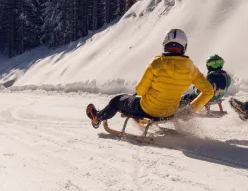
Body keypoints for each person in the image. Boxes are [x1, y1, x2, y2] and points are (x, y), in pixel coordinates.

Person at [86, 29, 215, 128]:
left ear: (165, 45)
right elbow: (209, 91)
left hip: (148, 109)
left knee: (117, 100)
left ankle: (97, 118)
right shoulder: (191, 68)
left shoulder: (156, 63)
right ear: (184, 47)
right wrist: (190, 110)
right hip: (170, 111)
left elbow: (140, 91)